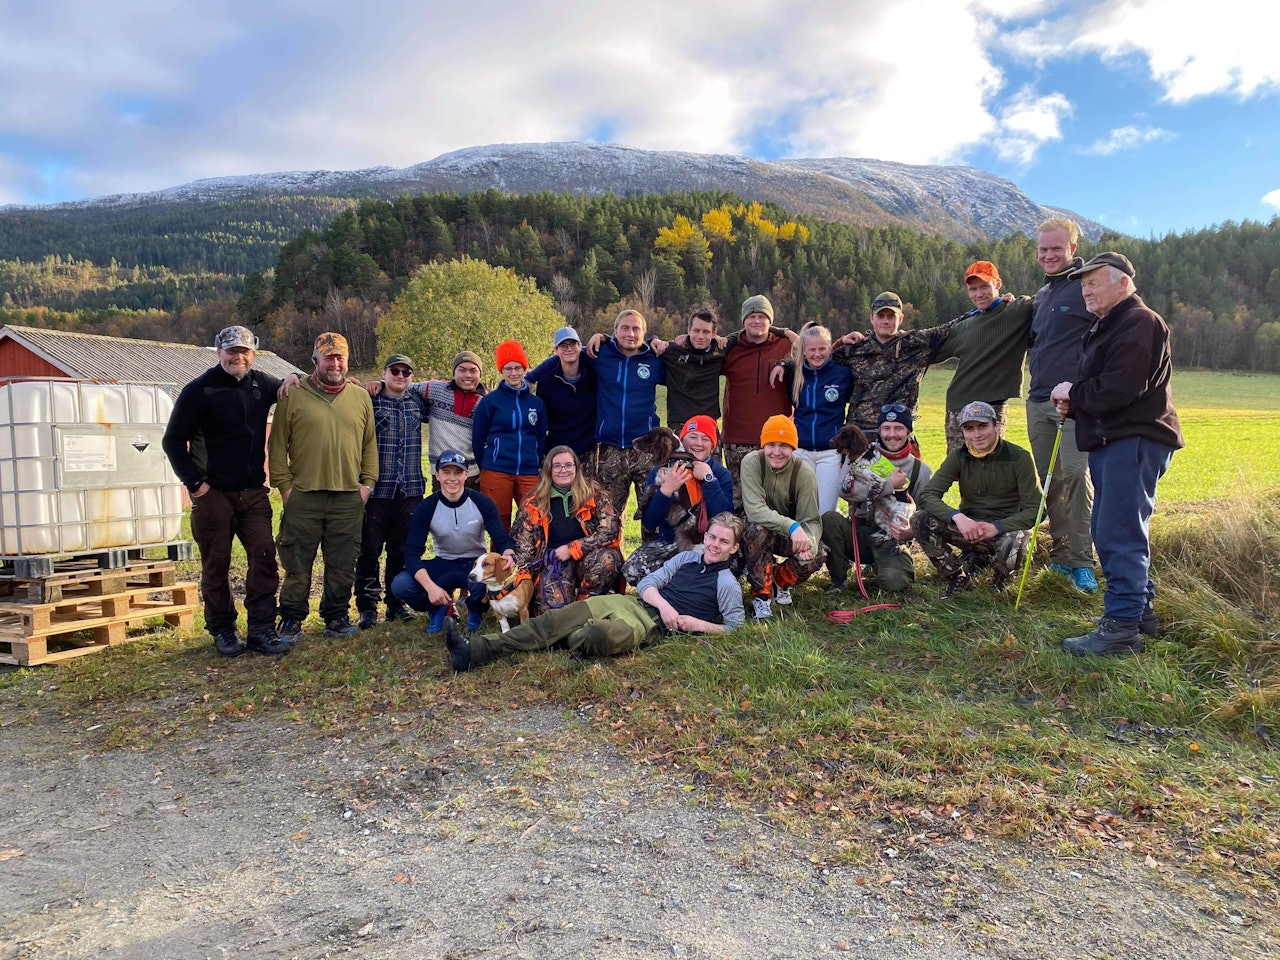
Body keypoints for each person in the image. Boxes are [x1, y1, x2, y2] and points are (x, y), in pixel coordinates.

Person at [1051, 253, 1184, 656]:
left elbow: (1121, 388)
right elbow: (1111, 388)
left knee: (1118, 533)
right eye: (1082, 284)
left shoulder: (1138, 322)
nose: (1085, 290)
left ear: (1122, 283)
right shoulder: (1111, 325)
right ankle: (1139, 614)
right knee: (1112, 529)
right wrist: (1076, 401)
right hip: (1118, 441)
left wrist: (1072, 393)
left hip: (1133, 441)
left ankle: (1121, 630)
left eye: (1094, 282)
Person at [443, 512, 747, 672]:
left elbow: (735, 628)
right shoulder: (686, 558)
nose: (714, 545)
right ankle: (475, 651)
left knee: (596, 635)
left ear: (733, 548)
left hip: (648, 626)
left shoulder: (727, 585)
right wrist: (666, 607)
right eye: (712, 537)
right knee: (557, 619)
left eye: (724, 542)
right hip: (632, 604)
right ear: (705, 535)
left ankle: (562, 640)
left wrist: (696, 625)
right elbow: (647, 584)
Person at [162, 325, 292, 657]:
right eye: (232, 350)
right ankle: (223, 628)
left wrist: (294, 376)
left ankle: (262, 629)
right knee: (216, 564)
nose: (238, 356)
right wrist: (195, 484)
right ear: (219, 352)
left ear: (254, 352)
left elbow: (293, 385)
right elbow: (173, 440)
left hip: (253, 492)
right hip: (214, 494)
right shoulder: (199, 390)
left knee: (264, 556)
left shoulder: (262, 384)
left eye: (245, 351)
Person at [269, 332, 378, 643]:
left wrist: (367, 485)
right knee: (297, 563)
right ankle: (291, 618)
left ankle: (336, 616)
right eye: (328, 356)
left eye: (340, 356)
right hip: (304, 495)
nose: (334, 362)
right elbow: (277, 448)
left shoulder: (360, 398)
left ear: (347, 360)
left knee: (343, 563)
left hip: (348, 497)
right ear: (315, 360)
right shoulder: (293, 395)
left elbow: (369, 445)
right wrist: (286, 489)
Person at [1027, 218, 1098, 593]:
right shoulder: (1041, 297)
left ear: (1072, 248)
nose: (1050, 255)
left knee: (1075, 476)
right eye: (1043, 250)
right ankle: (1060, 558)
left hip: (1074, 403)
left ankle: (1083, 562)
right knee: (1051, 482)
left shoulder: (1088, 286)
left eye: (1057, 248)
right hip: (1037, 401)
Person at [911, 401, 1041, 597]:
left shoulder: (1019, 457)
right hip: (970, 530)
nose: (976, 434)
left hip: (1005, 530)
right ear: (963, 431)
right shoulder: (958, 456)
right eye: (969, 429)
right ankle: (957, 576)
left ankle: (999, 581)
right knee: (920, 519)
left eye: (982, 426)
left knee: (1019, 539)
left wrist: (997, 527)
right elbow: (927, 495)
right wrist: (958, 518)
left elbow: (1036, 509)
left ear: (996, 426)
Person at [392, 449, 515, 634]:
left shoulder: (482, 503)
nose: (452, 478)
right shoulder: (426, 507)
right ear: (437, 475)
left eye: (458, 472)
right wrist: (431, 587)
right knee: (401, 585)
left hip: (474, 563)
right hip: (443, 562)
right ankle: (438, 607)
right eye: (446, 472)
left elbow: (502, 539)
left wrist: (509, 554)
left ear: (466, 474)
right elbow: (411, 554)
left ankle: (475, 609)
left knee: (483, 586)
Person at [822, 408, 932, 594]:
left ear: (908, 432)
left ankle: (886, 565)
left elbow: (925, 513)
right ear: (879, 431)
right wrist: (889, 485)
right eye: (886, 428)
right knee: (829, 519)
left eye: (898, 428)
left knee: (895, 584)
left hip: (892, 537)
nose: (891, 434)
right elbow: (844, 490)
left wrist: (910, 532)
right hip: (859, 532)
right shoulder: (859, 455)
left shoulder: (920, 470)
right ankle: (839, 581)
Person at [354, 354, 426, 630]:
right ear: (384, 373)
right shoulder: (369, 400)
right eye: (395, 371)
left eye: (406, 372)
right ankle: (367, 607)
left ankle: (396, 604)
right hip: (376, 489)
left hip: (409, 487)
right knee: (369, 550)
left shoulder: (418, 402)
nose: (400, 375)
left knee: (401, 549)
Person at [510, 446, 624, 616]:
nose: (563, 470)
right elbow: (523, 545)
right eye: (557, 466)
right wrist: (519, 573)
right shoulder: (533, 503)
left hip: (588, 557)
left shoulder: (595, 495)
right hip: (553, 561)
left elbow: (610, 531)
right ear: (548, 469)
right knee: (550, 615)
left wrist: (572, 549)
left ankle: (587, 606)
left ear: (576, 468)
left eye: (568, 465)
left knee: (607, 559)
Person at [933, 261, 1034, 452]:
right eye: (973, 289)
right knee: (961, 468)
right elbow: (929, 353)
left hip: (993, 406)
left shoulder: (1016, 311)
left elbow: (1048, 299)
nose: (979, 294)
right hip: (958, 408)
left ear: (997, 284)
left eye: (985, 287)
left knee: (991, 466)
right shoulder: (964, 326)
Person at [622, 416, 735, 584]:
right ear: (681, 439)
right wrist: (666, 491)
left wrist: (709, 479)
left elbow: (725, 517)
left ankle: (689, 582)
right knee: (632, 571)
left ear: (713, 446)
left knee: (726, 568)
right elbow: (650, 523)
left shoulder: (719, 473)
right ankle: (676, 581)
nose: (698, 443)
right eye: (693, 436)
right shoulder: (661, 471)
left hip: (707, 544)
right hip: (670, 542)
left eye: (705, 438)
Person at [828, 291, 961, 435]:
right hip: (860, 435)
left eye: (891, 316)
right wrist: (840, 341)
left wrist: (986, 307)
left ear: (901, 319)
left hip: (898, 435)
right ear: (872, 318)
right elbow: (816, 358)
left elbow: (954, 327)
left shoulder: (917, 343)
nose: (886, 321)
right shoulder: (855, 349)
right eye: (880, 316)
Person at [740, 415, 827, 619]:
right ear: (763, 444)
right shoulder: (751, 463)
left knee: (819, 553)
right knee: (756, 530)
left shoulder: (803, 473)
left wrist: (810, 544)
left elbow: (812, 520)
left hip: (787, 534)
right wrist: (792, 527)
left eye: (784, 445)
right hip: (761, 529)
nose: (777, 452)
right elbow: (755, 510)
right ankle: (761, 595)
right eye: (771, 444)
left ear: (793, 448)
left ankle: (780, 580)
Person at [584, 309, 665, 520]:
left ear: (644, 334)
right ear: (615, 331)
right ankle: (609, 555)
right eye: (625, 328)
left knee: (652, 515)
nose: (631, 333)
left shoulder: (655, 360)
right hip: (610, 450)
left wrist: (660, 342)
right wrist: (530, 379)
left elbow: (687, 361)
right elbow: (566, 354)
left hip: (646, 450)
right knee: (608, 517)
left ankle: (652, 554)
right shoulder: (600, 355)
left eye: (636, 329)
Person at [368, 350, 486, 487]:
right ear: (454, 373)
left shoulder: (485, 403)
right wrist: (381, 383)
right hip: (442, 473)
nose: (468, 375)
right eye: (462, 370)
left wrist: (487, 469)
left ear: (480, 375)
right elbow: (403, 385)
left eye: (473, 370)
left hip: (474, 474)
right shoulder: (435, 389)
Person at [721, 295, 795, 508]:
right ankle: (738, 541)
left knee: (775, 501)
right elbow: (700, 351)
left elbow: (816, 351)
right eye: (751, 316)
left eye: (762, 316)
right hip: (737, 438)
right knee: (739, 499)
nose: (756, 321)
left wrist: (786, 358)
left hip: (775, 440)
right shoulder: (730, 348)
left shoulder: (786, 344)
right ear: (743, 320)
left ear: (770, 321)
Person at [471, 340, 547, 529]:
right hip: (497, 470)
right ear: (501, 370)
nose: (514, 373)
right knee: (499, 521)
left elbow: (541, 436)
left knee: (532, 521)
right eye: (508, 368)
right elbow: (478, 438)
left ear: (524, 368)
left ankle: (530, 559)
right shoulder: (490, 401)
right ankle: (500, 558)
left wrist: (536, 462)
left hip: (528, 470)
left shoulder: (536, 403)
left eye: (518, 368)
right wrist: (487, 467)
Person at [783, 324, 853, 514]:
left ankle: (825, 544)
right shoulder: (794, 375)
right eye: (812, 349)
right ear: (804, 350)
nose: (817, 354)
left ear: (830, 348)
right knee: (802, 508)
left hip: (830, 454)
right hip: (801, 452)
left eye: (822, 348)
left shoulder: (842, 374)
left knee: (825, 511)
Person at [653, 306, 726, 433]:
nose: (700, 336)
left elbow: (745, 335)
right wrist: (653, 339)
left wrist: (774, 331)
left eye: (706, 332)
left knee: (712, 454)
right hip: (679, 425)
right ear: (688, 330)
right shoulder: (671, 351)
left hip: (709, 424)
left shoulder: (720, 350)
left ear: (714, 333)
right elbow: (638, 346)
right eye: (696, 330)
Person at [526, 327, 597, 456]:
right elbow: (543, 420)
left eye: (573, 344)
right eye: (563, 345)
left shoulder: (593, 373)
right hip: (557, 449)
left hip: (589, 450)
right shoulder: (546, 381)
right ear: (556, 351)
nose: (569, 349)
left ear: (580, 346)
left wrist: (601, 336)